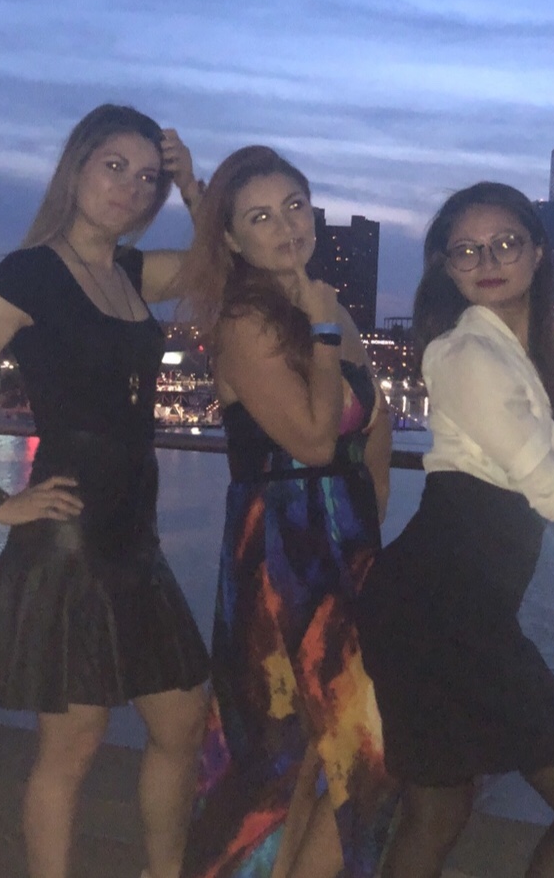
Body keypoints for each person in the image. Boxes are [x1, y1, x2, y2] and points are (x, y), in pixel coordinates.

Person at [0, 104, 210, 878]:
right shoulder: (28, 274)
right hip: (70, 539)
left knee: (183, 720)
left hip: (135, 537)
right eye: (114, 166)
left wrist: (191, 185)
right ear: (76, 167)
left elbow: (223, 265)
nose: (129, 187)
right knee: (72, 745)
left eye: (145, 177)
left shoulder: (131, 272)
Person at [355, 181, 554, 878]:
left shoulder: (545, 337)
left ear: (537, 251)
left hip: (462, 608)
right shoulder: (463, 354)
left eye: (505, 243)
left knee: (439, 809)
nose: (487, 260)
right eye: (467, 250)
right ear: (446, 265)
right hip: (433, 611)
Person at [176, 146, 397, 878]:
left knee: (334, 756)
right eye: (261, 217)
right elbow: (311, 439)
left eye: (295, 206)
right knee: (280, 757)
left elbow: (373, 427)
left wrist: (369, 528)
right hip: (279, 551)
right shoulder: (246, 320)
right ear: (233, 239)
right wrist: (324, 335)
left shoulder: (326, 305)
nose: (286, 226)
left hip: (344, 545)